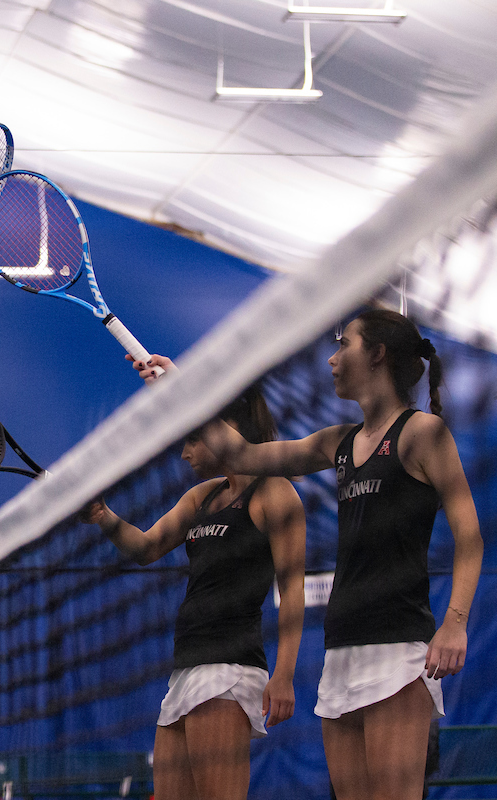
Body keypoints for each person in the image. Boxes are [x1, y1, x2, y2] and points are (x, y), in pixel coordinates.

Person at [142, 309, 483, 800]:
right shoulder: (337, 443)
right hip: (340, 650)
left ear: (378, 354)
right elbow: (240, 455)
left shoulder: (422, 433)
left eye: (344, 345)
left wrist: (455, 621)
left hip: (398, 649)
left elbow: (470, 537)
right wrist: (179, 392)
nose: (332, 358)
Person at [82, 386, 306, 800]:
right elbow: (146, 548)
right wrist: (103, 517)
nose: (185, 453)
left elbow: (292, 591)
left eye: (193, 438)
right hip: (185, 668)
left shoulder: (274, 493)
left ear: (227, 429)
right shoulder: (200, 497)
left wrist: (285, 675)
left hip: (229, 669)